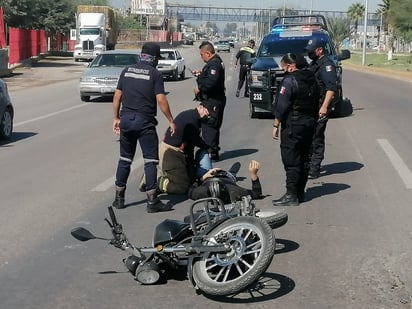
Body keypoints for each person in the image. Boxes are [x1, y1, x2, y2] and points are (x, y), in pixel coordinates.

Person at [112, 42, 177, 213]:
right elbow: (161, 100)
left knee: (125, 159)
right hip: (144, 123)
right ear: (154, 58)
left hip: (126, 120)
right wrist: (170, 120)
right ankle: (152, 201)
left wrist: (116, 118)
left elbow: (117, 97)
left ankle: (119, 198)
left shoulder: (126, 71)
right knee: (150, 160)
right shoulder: (154, 74)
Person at [271, 53, 320, 206]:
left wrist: (276, 124)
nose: (283, 70)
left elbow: (282, 105)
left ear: (291, 67)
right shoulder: (312, 77)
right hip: (310, 123)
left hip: (293, 125)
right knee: (305, 158)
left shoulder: (289, 80)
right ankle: (300, 192)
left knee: (291, 159)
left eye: (284, 67)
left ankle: (291, 195)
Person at [142, 102, 215, 195]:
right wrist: (207, 147)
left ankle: (156, 176)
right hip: (171, 153)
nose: (207, 117)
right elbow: (196, 142)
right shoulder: (192, 121)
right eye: (206, 113)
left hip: (177, 152)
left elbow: (190, 147)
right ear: (200, 108)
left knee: (190, 179)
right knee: (182, 187)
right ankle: (154, 180)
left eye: (208, 116)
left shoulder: (192, 116)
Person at [305, 38, 339, 179]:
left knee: (317, 137)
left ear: (320, 50)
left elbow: (331, 88)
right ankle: (309, 165)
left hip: (320, 106)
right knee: (309, 136)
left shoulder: (327, 65)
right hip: (312, 106)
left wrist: (324, 107)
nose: (309, 54)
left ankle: (314, 168)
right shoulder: (315, 63)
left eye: (311, 51)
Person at [192, 41, 226, 161]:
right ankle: (213, 151)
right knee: (212, 126)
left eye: (202, 55)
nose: (201, 57)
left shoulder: (214, 64)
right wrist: (201, 75)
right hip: (214, 100)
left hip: (213, 101)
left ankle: (209, 154)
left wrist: (199, 87)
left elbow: (210, 84)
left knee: (209, 126)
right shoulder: (214, 63)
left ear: (207, 53)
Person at [188, 160, 263, 204]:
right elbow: (256, 193)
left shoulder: (201, 192)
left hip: (207, 175)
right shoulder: (234, 190)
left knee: (201, 156)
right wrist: (253, 174)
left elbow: (190, 191)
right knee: (232, 174)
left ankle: (231, 173)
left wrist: (203, 177)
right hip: (226, 176)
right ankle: (231, 173)